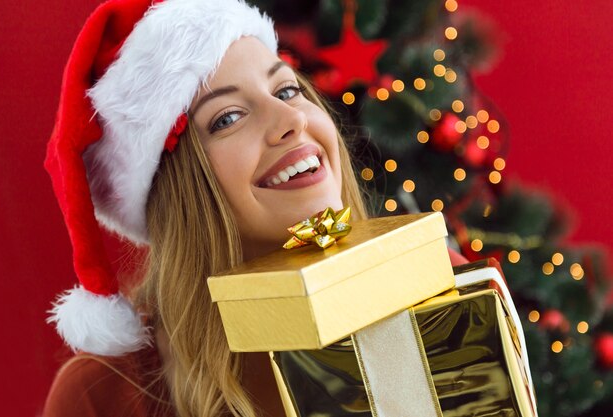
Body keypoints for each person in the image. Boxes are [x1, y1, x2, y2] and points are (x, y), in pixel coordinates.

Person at [43, 0, 468, 416]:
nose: (291, 120)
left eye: (287, 89)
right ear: (177, 192)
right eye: (228, 118)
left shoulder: (438, 281)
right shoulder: (102, 395)